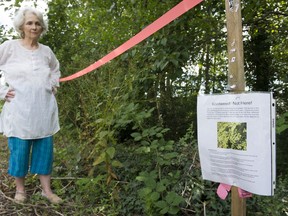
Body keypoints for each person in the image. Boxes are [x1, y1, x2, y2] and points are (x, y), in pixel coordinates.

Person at [0, 7, 62, 204]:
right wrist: (1, 92)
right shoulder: (9, 47)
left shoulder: (46, 51)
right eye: (30, 23)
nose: (34, 27)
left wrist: (53, 83)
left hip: (43, 109)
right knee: (20, 151)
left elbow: (55, 69)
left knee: (45, 150)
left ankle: (47, 190)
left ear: (42, 27)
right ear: (21, 26)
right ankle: (20, 190)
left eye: (37, 23)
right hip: (19, 110)